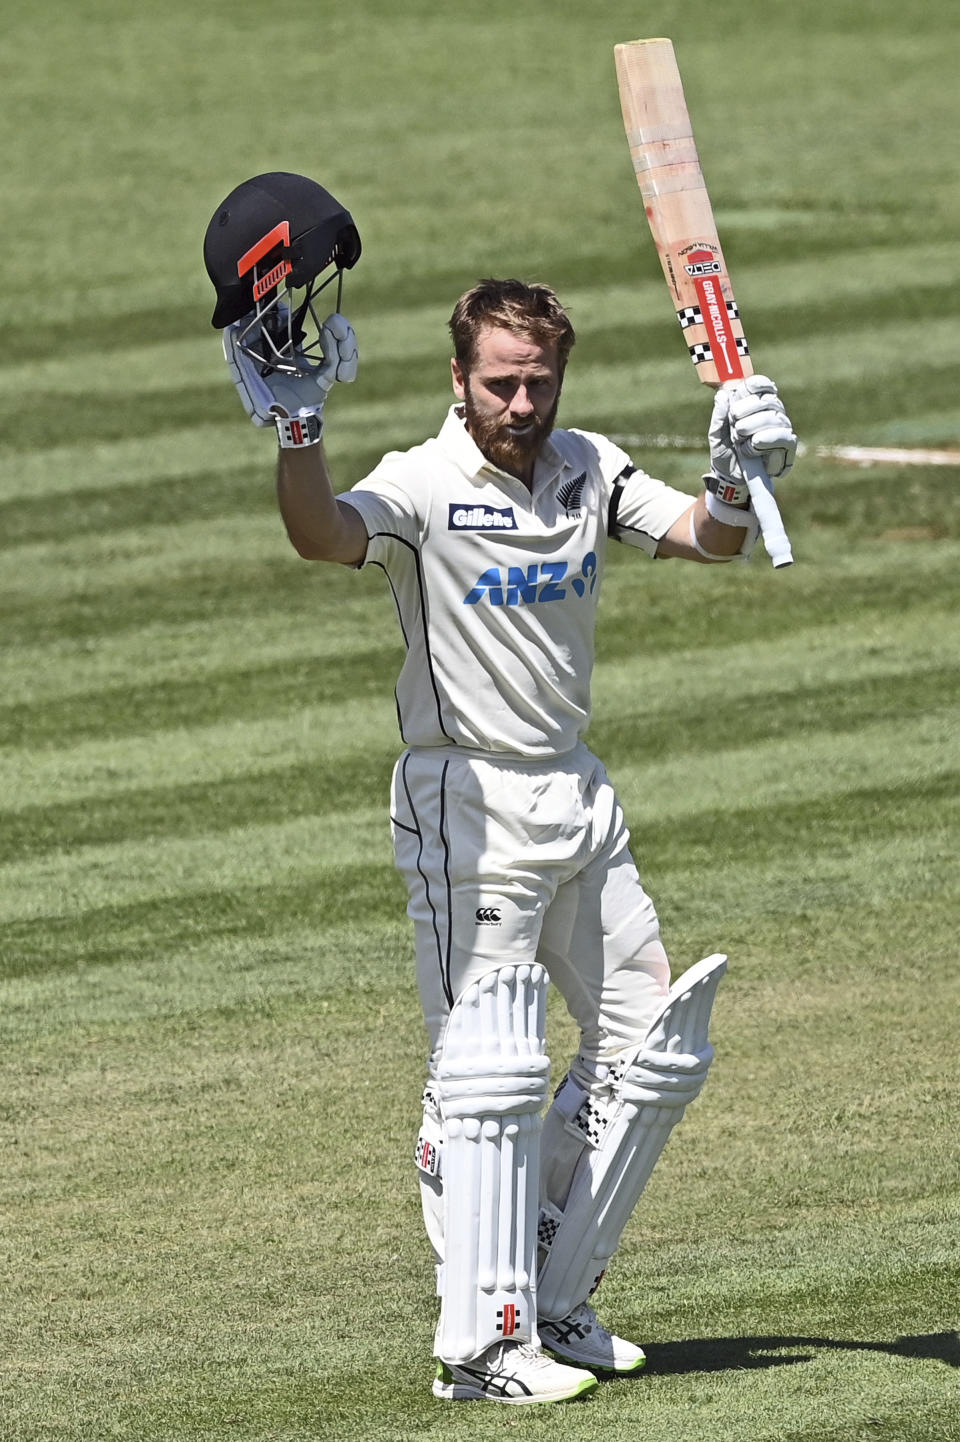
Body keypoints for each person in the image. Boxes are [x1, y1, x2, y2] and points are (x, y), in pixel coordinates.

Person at [219, 260, 796, 1405]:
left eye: (537, 382)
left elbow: (708, 540)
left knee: (649, 1043)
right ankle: (479, 1347)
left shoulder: (586, 465)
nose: (520, 406)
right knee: (484, 1075)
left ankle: (551, 1284)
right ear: (459, 377)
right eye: (499, 384)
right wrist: (297, 431)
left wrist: (734, 479)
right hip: (465, 801)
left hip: (578, 791)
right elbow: (324, 536)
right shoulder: (423, 481)